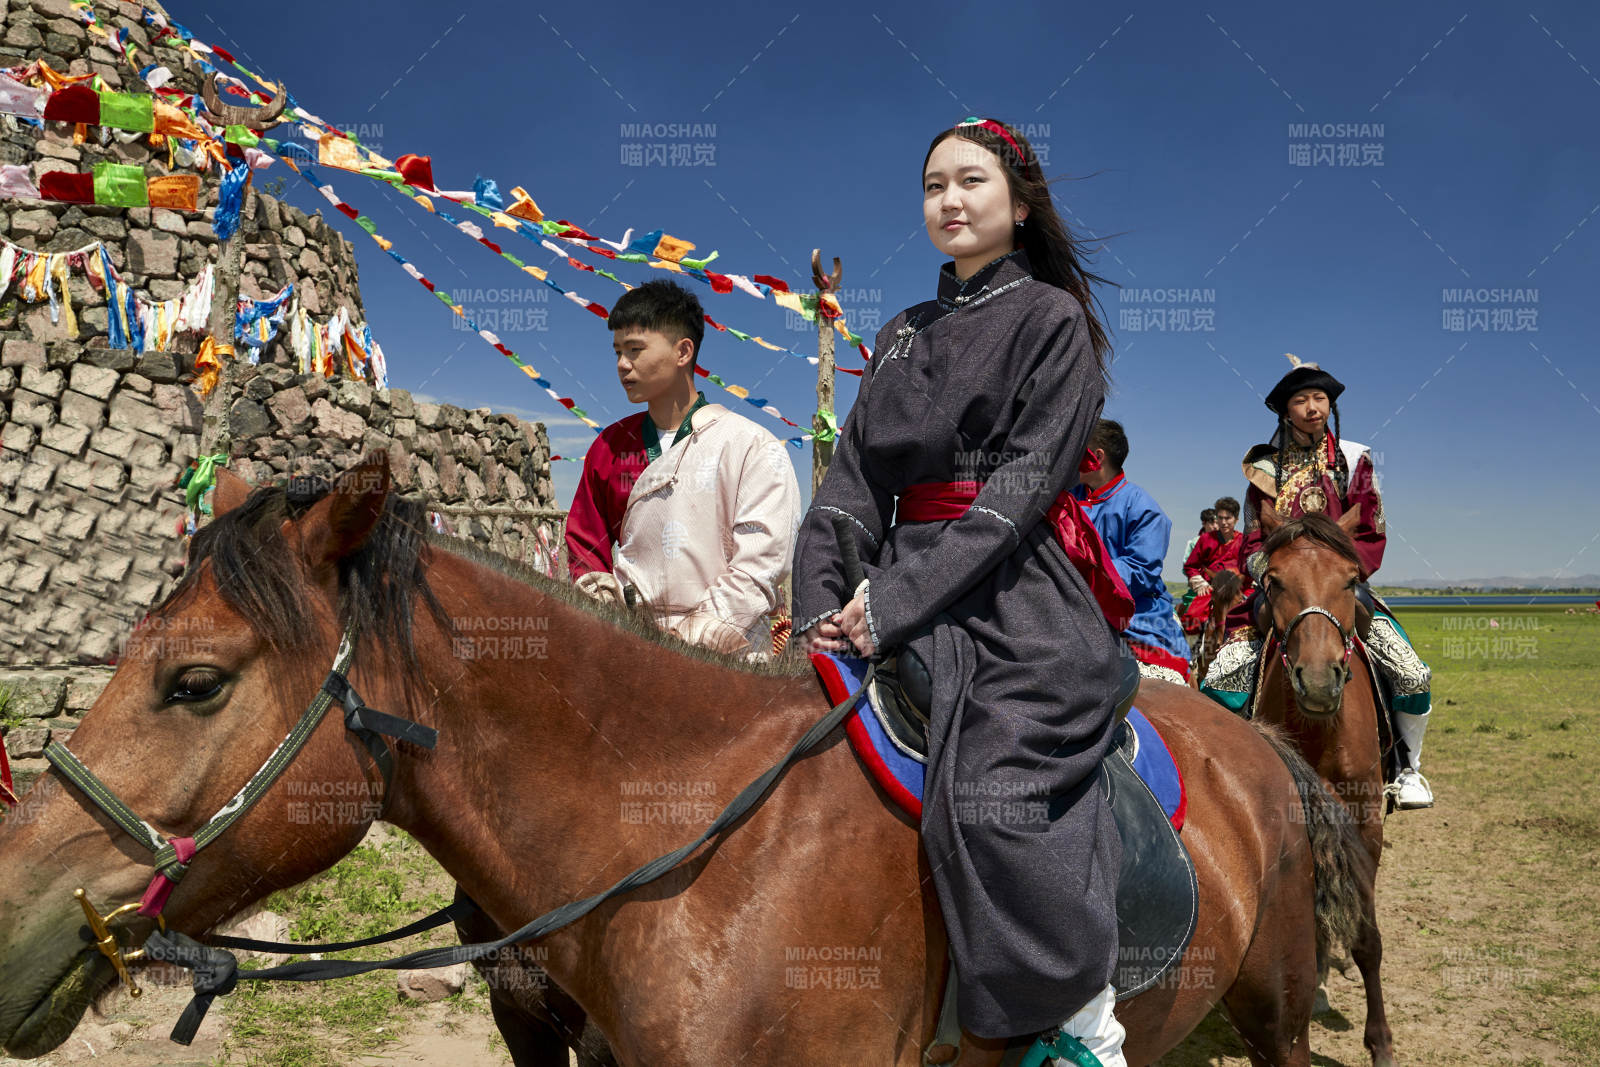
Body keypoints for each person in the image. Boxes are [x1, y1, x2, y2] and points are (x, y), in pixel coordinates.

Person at [794, 117, 1128, 1065]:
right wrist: (820, 605)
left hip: (1015, 596)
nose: (949, 199)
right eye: (934, 184)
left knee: (993, 788)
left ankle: (1079, 1014)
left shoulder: (1052, 321)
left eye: (971, 181)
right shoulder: (899, 334)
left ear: (1020, 206)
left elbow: (1019, 491)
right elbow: (852, 490)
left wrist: (893, 603)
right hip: (896, 581)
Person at [1204, 355, 1434, 809]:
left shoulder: (1354, 460)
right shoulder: (1263, 469)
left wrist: (1339, 570)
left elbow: (1371, 528)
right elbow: (1252, 540)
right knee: (1221, 675)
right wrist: (1271, 574)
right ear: (1285, 411)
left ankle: (1408, 767)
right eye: (1301, 400)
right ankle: (1224, 768)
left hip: (1339, 582)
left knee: (1408, 671)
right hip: (1281, 587)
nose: (1312, 408)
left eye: (1320, 398)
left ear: (1330, 405)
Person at [564, 279, 801, 658]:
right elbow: (585, 546)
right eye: (618, 352)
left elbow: (762, 564)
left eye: (635, 349)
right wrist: (609, 621)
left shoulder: (751, 446)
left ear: (683, 351)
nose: (623, 364)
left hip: (731, 657)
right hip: (628, 647)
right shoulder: (610, 448)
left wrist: (686, 644)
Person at [1071, 418, 1192, 683]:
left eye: (1076, 448)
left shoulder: (1144, 509)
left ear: (1097, 457)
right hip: (1067, 602)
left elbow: (1140, 571)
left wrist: (1077, 573)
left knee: (1161, 682)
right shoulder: (1067, 497)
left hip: (1134, 614)